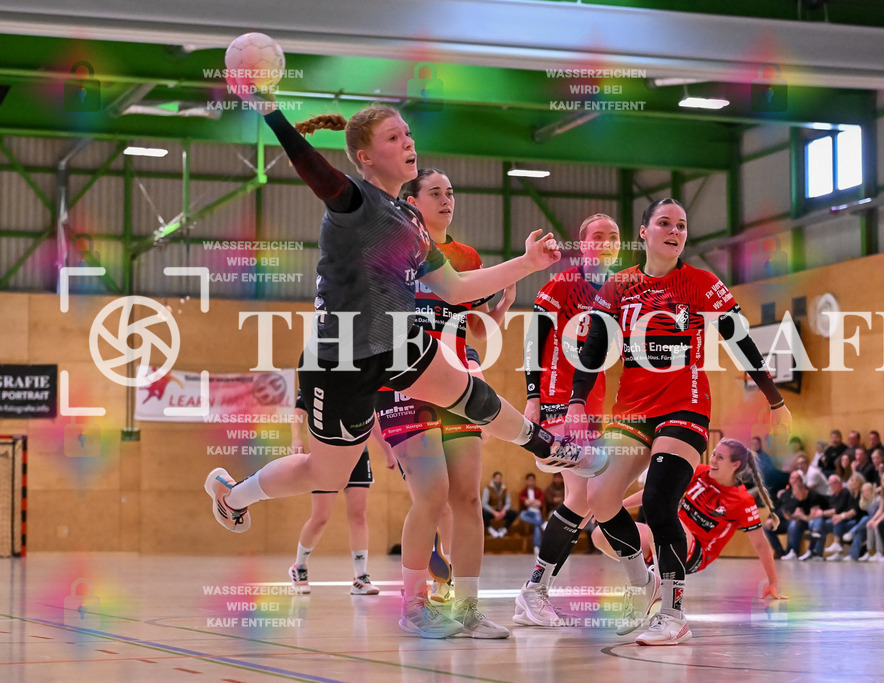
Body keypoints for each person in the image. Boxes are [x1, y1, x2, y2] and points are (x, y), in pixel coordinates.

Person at [203, 92, 598, 640]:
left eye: (408, 134)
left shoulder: (409, 219)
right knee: (326, 475)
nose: (408, 142)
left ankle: (548, 448)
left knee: (469, 392)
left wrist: (526, 265)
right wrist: (271, 112)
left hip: (394, 340)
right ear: (365, 157)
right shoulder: (354, 199)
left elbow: (457, 288)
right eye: (394, 138)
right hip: (338, 356)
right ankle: (232, 493)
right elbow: (313, 169)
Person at [564, 198, 791, 646]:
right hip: (631, 409)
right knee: (600, 496)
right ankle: (640, 581)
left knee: (659, 500)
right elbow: (592, 349)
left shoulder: (702, 283)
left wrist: (774, 397)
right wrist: (575, 401)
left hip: (684, 404)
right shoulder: (619, 286)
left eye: (682, 225)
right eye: (664, 223)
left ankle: (673, 612)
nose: (674, 231)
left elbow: (739, 339)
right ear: (644, 232)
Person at [372, 167, 517, 638]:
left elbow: (478, 330)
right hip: (405, 381)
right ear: (412, 201)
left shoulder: (466, 257)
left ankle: (467, 609)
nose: (446, 199)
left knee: (468, 498)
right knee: (431, 494)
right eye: (435, 192)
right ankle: (413, 605)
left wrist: (499, 310)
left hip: (460, 380)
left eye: (451, 192)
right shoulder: (389, 254)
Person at [514, 214, 621, 627]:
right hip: (560, 397)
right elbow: (533, 339)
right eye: (598, 236)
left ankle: (535, 590)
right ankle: (535, 591)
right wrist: (532, 397)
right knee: (583, 496)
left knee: (586, 497)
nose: (607, 242)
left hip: (591, 402)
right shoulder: (562, 284)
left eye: (613, 237)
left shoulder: (618, 288)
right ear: (583, 243)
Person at [590, 438, 786, 640]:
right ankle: (650, 580)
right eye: (714, 454)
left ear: (735, 465)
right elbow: (653, 493)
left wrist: (772, 581)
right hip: (668, 536)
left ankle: (658, 585)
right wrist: (618, 505)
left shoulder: (742, 500)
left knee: (660, 508)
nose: (714, 460)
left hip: (695, 553)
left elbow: (761, 544)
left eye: (720, 457)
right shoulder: (700, 471)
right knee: (601, 534)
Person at [288, 388, 397, 595]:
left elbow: (371, 418)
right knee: (320, 517)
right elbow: (299, 411)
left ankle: (360, 576)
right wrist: (296, 438)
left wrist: (388, 451)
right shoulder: (317, 374)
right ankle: (299, 566)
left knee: (358, 515)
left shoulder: (360, 377)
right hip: (326, 455)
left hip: (358, 454)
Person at [778, 471, 828, 560]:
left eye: (797, 494)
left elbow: (814, 516)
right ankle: (793, 551)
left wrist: (801, 516)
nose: (796, 496)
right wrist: (793, 516)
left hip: (821, 518)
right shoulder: (796, 497)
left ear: (803, 490)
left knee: (815, 523)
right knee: (793, 524)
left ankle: (813, 552)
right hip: (807, 520)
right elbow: (793, 515)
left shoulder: (813, 495)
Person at [815, 474, 859, 561]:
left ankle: (836, 544)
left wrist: (824, 513)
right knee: (823, 525)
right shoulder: (834, 495)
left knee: (837, 520)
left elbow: (840, 510)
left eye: (834, 483)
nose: (832, 486)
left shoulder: (846, 492)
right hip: (842, 519)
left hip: (852, 520)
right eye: (830, 484)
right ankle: (818, 552)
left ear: (840, 483)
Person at [844, 481, 880, 562]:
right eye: (863, 491)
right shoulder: (865, 503)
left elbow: (878, 513)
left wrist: (872, 520)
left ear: (871, 491)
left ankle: (852, 532)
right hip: (869, 525)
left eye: (867, 491)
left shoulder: (877, 500)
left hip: (877, 521)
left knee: (865, 518)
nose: (866, 493)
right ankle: (853, 556)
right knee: (859, 533)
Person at [482, 471, 516, 537]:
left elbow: (508, 503)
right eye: (497, 478)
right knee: (483, 513)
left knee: (513, 513)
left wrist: (504, 511)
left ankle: (504, 529)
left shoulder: (504, 489)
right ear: (493, 479)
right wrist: (494, 512)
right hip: (492, 511)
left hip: (501, 510)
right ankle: (490, 530)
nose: (498, 480)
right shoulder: (488, 488)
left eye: (499, 478)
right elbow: (484, 503)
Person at [519, 473, 546, 552]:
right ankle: (542, 524)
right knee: (522, 515)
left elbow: (540, 502)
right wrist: (533, 502)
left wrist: (531, 502)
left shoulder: (539, 491)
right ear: (526, 481)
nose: (531, 482)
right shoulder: (523, 492)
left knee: (536, 526)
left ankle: (536, 546)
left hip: (537, 512)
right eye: (529, 480)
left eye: (532, 480)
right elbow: (523, 501)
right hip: (527, 512)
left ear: (535, 481)